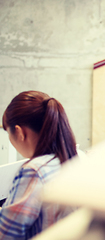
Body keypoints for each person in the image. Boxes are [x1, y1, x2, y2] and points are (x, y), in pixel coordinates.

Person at [0, 91, 78, 239]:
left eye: (8, 133)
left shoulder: (34, 171)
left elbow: (6, 235)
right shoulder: (73, 157)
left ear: (19, 132)